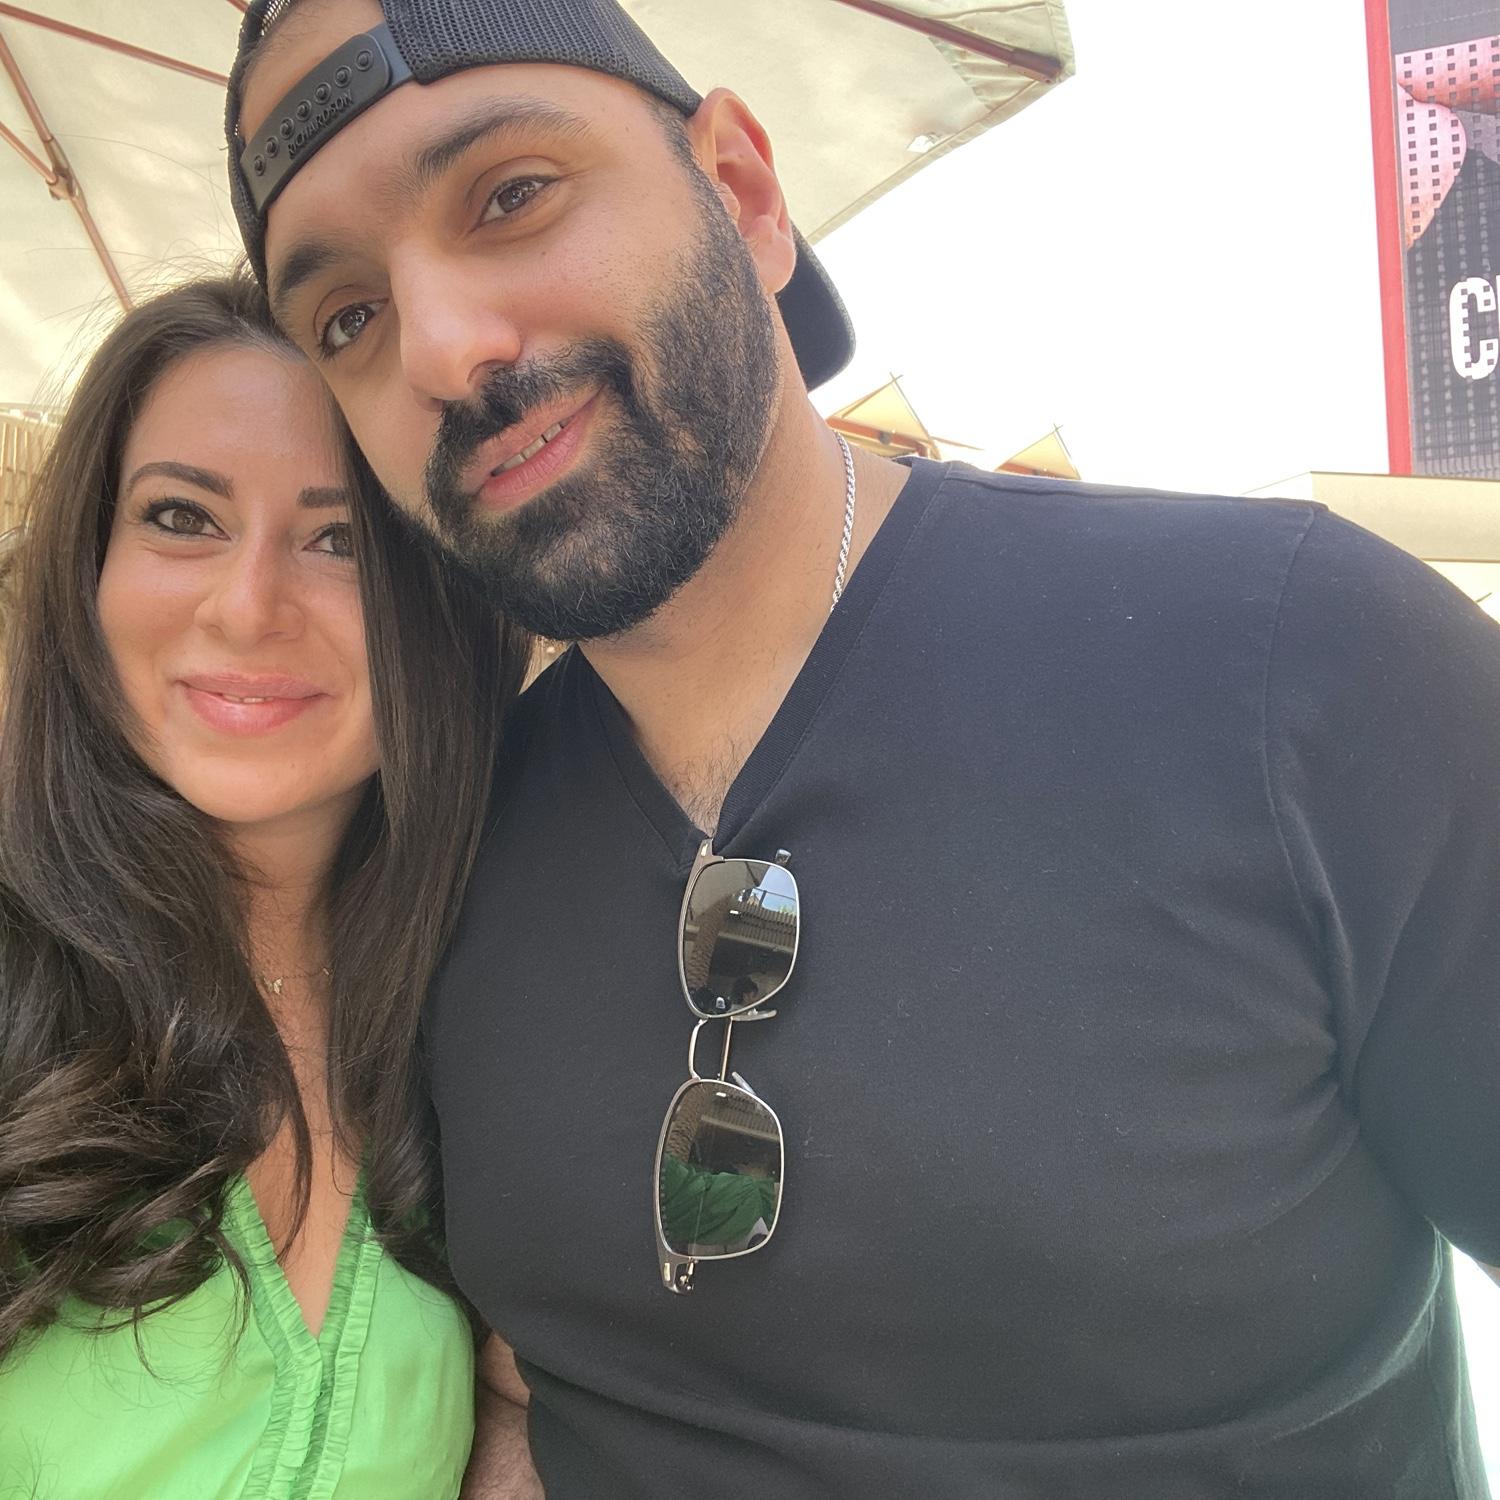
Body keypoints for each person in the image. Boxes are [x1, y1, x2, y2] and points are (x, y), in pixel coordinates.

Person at [226, 2, 1500, 1495]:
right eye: (349, 319)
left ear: (743, 191)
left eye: (511, 194)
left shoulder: (1297, 665)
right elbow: (527, 1382)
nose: (443, 348)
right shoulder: (430, 857)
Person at [0, 271, 529, 1498]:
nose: (247, 609)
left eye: (341, 539)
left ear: (442, 606)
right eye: (181, 516)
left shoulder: (486, 1026)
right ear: (90, 565)